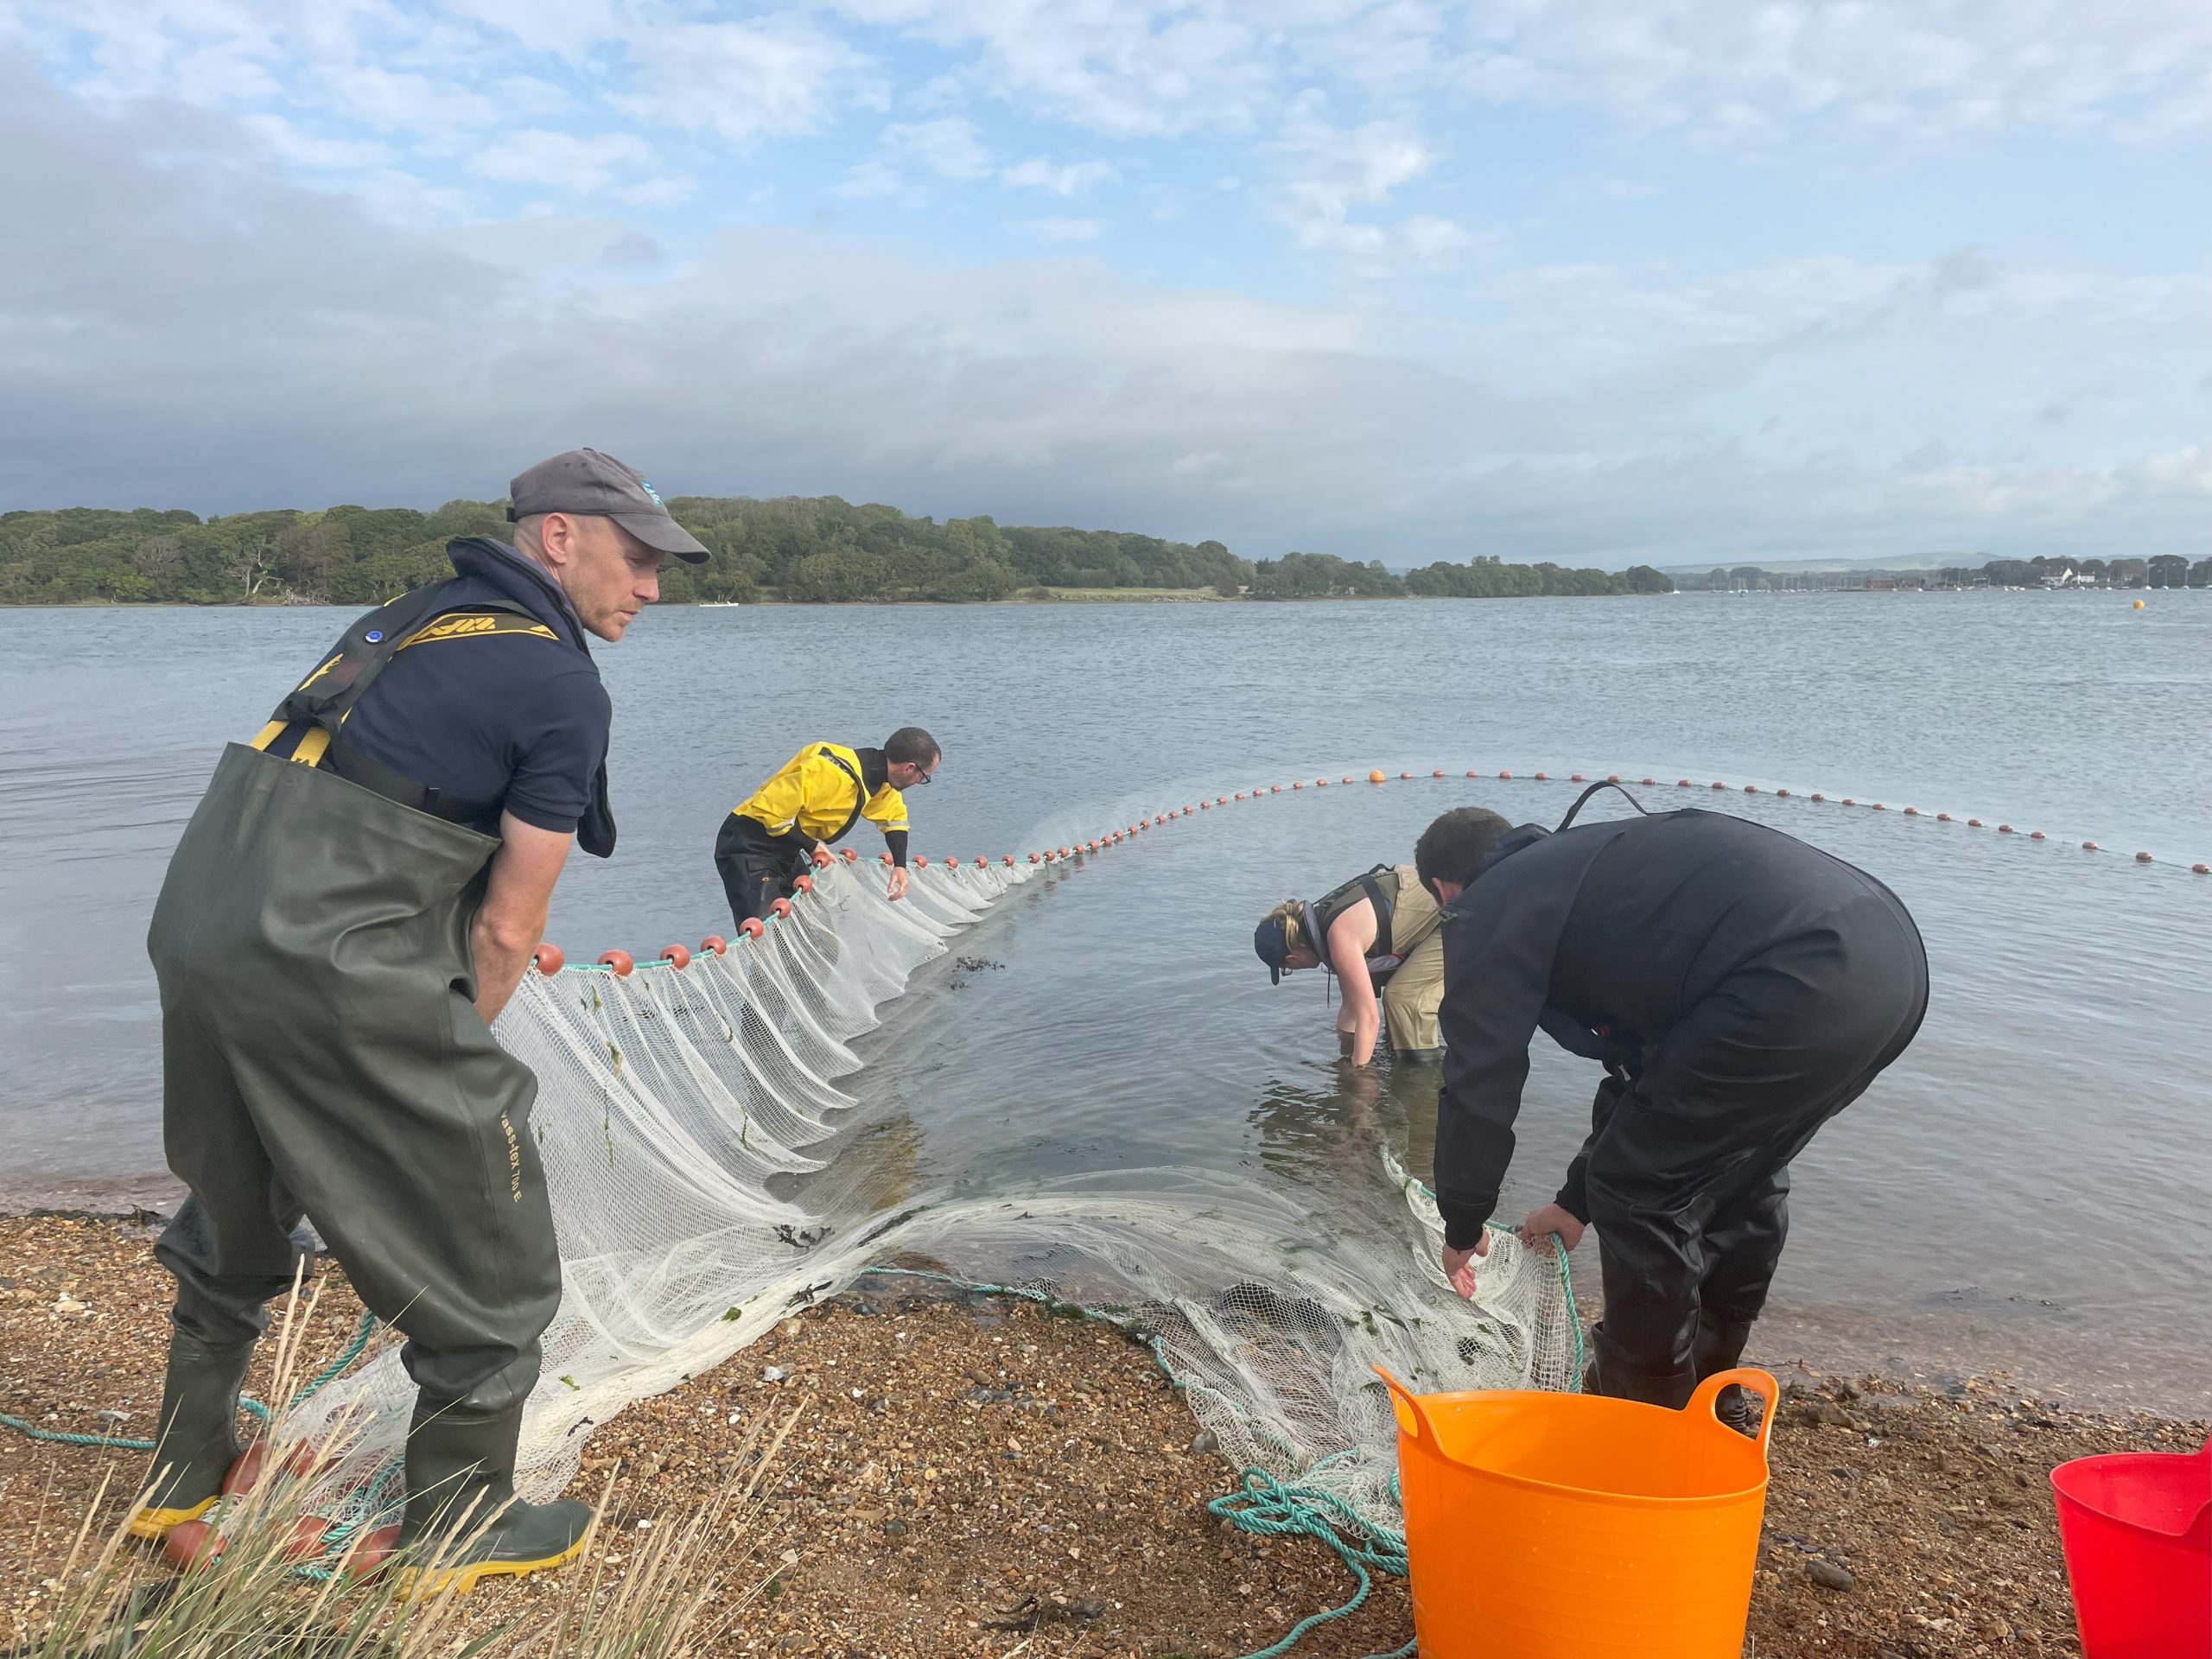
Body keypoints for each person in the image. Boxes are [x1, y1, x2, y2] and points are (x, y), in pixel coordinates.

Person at [138, 449, 708, 1592]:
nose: (651, 589)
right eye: (638, 559)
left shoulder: (406, 621)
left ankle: (180, 1477)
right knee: (490, 1235)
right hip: (328, 967)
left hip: (203, 931)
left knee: (237, 1200)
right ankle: (462, 1525)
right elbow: (506, 931)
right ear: (558, 538)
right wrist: (451, 1067)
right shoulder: (559, 685)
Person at [1414, 799, 1927, 1416]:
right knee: (1739, 1171)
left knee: (1637, 1191)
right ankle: (1712, 1395)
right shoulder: (1588, 876)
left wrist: (1463, 1222)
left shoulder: (1490, 904)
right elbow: (1652, 1075)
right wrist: (1575, 1202)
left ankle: (1644, 1416)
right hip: (1891, 961)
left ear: (1446, 889)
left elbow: (1480, 1078)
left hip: (1794, 972)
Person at [715, 731, 939, 927]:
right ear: (910, 768)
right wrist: (812, 846)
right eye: (924, 777)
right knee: (769, 932)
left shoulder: (880, 782)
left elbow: (895, 820)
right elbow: (769, 813)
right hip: (748, 845)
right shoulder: (828, 771)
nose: (920, 782)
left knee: (818, 931)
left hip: (787, 848)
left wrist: (900, 866)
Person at [1252, 862, 1447, 1065]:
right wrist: (1345, 1052)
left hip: (1450, 906)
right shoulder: (1325, 922)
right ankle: (1401, 1070)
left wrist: (1358, 1077)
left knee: (1402, 997)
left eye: (1287, 970)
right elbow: (1351, 1008)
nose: (1292, 970)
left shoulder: (1339, 938)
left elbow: (1369, 1019)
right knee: (1394, 1017)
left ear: (1292, 958)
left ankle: (1421, 1078)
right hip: (1425, 896)